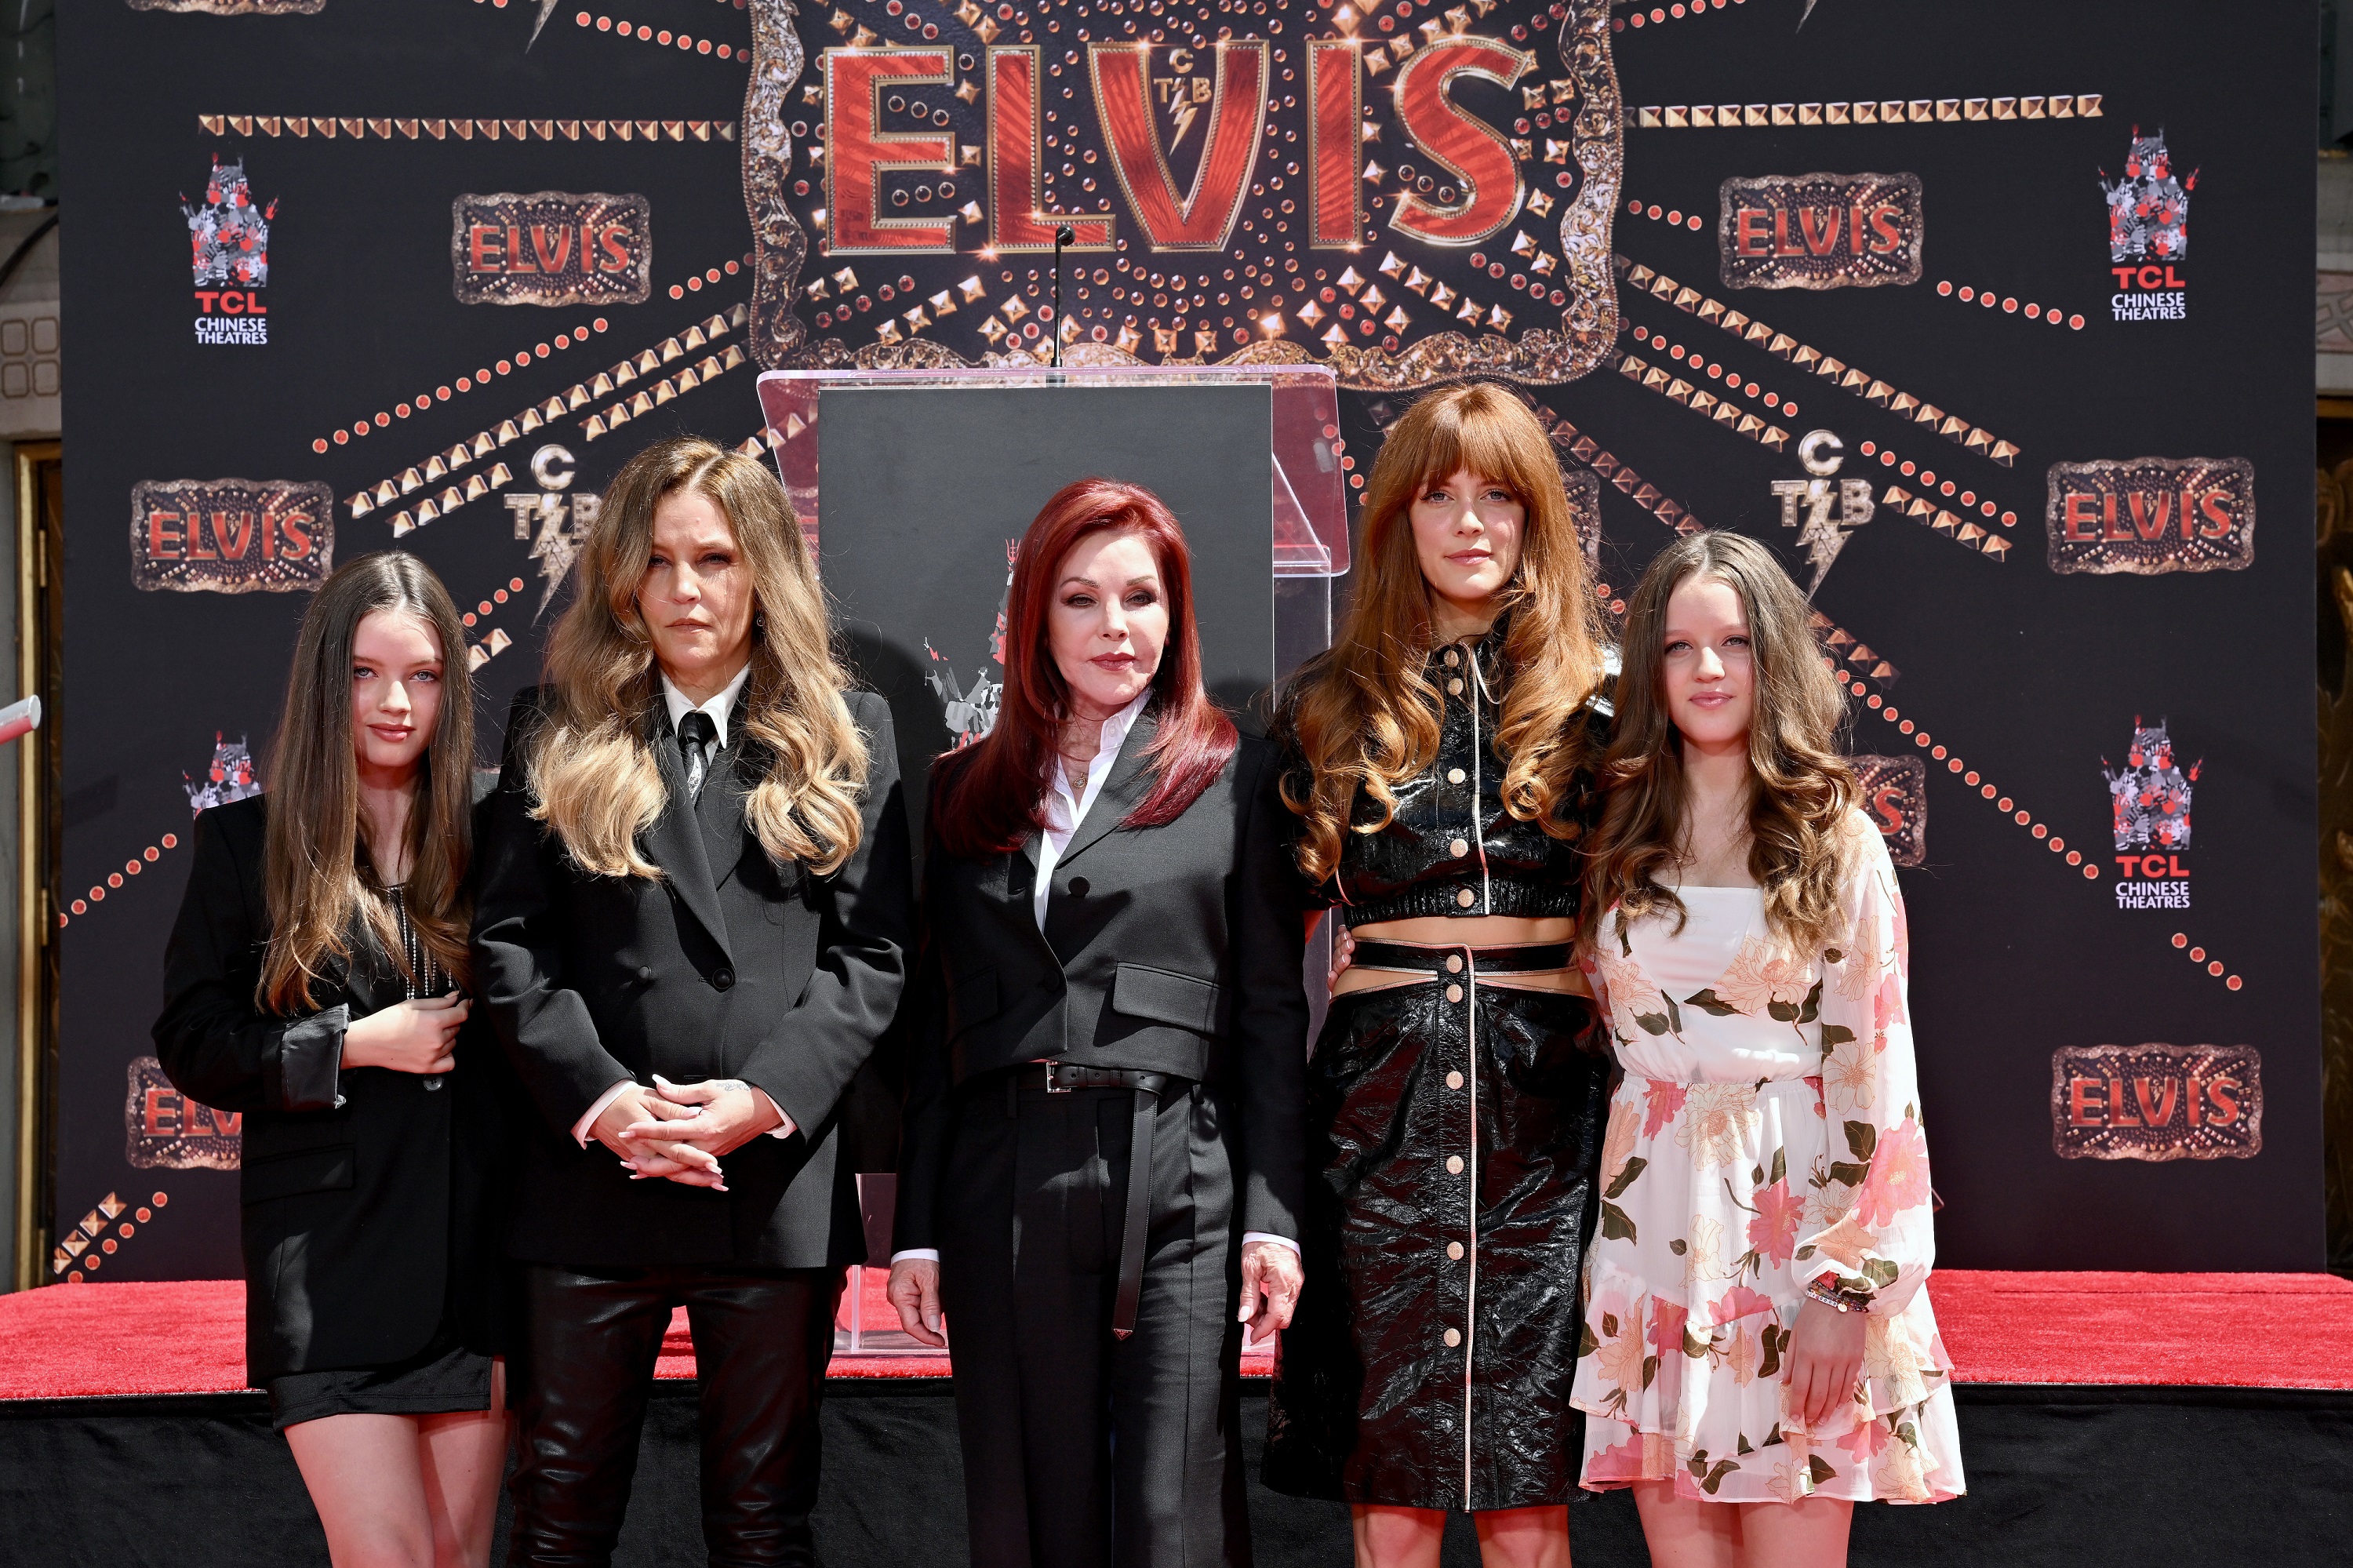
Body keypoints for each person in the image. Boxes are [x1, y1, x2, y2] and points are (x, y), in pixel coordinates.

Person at [472, 435, 913, 1565]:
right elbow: (510, 948)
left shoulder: (847, 734)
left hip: (766, 1185)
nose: (686, 591)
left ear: (761, 569)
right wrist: (608, 1105)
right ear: (623, 578)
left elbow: (874, 958)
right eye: (659, 562)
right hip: (588, 1183)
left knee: (764, 1519)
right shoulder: (553, 727)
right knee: (558, 1511)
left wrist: (760, 1101)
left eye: (714, 559)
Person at [886, 478, 1309, 1568]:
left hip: (1180, 1173)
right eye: (1080, 599)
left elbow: (1269, 1015)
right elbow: (933, 1028)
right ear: (1035, 618)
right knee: (1030, 1513)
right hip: (1002, 1180)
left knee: (1175, 1517)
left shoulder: (1238, 775)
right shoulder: (957, 792)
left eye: (1141, 598)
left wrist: (1271, 1214)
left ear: (1176, 618)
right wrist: (919, 1226)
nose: (1114, 628)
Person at [1263, 384, 1613, 1568]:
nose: (1470, 523)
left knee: (1529, 1496)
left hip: (1553, 1114)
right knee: (1394, 1489)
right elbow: (1260, 959)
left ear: (1538, 519)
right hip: (1379, 1111)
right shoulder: (1324, 710)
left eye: (1499, 497)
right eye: (1438, 496)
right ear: (1396, 520)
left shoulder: (1606, 711)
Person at [1571, 530, 1964, 1566]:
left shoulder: (1837, 836)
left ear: (1776, 657)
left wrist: (1848, 1291)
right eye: (1681, 646)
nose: (1708, 670)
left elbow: (1876, 1073)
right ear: (1648, 666)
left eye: (1736, 643)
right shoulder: (1618, 824)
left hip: (1797, 1243)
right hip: (1652, 1227)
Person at [155, 551, 508, 1568]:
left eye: (424, 675)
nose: (396, 703)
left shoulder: (498, 834)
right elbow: (191, 1043)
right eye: (365, 673)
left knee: (455, 1560)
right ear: (325, 682)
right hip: (326, 1268)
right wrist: (353, 1046)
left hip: (475, 1267)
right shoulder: (245, 844)